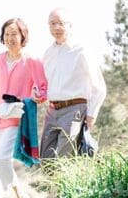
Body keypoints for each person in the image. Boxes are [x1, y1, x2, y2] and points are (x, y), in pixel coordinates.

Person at [0, 18, 47, 198]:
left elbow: (42, 88)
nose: (10, 38)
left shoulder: (32, 60)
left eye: (14, 34)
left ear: (22, 36)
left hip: (15, 118)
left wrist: (37, 96)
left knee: (1, 160)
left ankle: (21, 196)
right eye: (7, 34)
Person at [39, 8, 107, 160]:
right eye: (52, 23)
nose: (57, 27)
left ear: (70, 25)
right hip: (52, 111)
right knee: (46, 158)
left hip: (75, 110)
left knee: (65, 157)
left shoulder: (81, 50)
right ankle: (51, 185)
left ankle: (64, 184)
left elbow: (99, 86)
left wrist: (91, 114)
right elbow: (44, 85)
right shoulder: (48, 54)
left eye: (61, 23)